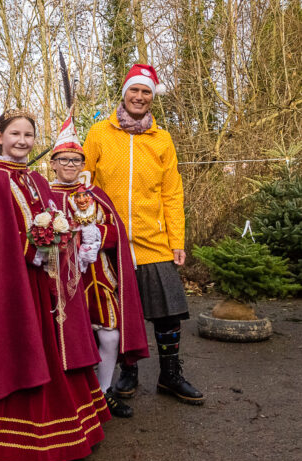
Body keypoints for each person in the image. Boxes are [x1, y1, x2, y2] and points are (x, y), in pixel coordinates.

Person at [0, 109, 110, 461]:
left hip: (45, 281)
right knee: (16, 347)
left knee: (49, 349)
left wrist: (60, 238)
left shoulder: (37, 179)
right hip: (12, 284)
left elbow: (53, 220)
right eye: (15, 134)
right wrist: (32, 249)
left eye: (28, 135)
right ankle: (4, 442)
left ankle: (61, 432)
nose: (22, 141)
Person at [82, 63, 204, 405]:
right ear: (124, 93)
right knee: (119, 311)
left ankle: (170, 375)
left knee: (168, 309)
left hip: (154, 240)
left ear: (153, 97)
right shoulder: (99, 133)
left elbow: (172, 193)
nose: (139, 96)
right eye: (134, 90)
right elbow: (83, 183)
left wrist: (176, 241)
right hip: (111, 241)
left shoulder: (161, 139)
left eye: (145, 91)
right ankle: (128, 371)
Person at [49, 114, 149, 417]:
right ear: (53, 163)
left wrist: (95, 234)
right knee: (62, 338)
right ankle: (69, 396)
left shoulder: (95, 194)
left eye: (76, 160)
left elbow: (116, 232)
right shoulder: (44, 194)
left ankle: (103, 393)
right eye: (64, 160)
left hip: (99, 276)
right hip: (58, 280)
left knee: (110, 334)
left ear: (83, 164)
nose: (70, 165)